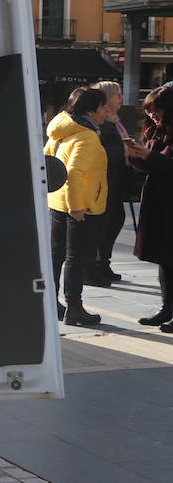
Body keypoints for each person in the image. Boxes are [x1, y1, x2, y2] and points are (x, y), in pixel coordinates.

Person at [44, 86, 109, 327]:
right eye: (103, 107)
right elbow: (74, 173)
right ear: (91, 110)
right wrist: (77, 207)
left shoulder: (61, 128)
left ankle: (51, 303)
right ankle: (75, 309)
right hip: (78, 206)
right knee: (75, 258)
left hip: (57, 202)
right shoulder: (87, 135)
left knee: (56, 255)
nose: (106, 112)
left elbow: (48, 163)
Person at [127, 86, 173, 329]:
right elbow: (153, 166)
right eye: (150, 111)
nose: (153, 114)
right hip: (159, 202)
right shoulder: (156, 130)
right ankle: (167, 308)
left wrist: (149, 157)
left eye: (157, 110)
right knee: (165, 258)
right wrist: (136, 155)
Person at [89, 81, 134, 287]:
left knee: (114, 220)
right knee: (105, 224)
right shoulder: (103, 124)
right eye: (117, 94)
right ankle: (97, 265)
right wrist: (125, 151)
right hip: (104, 184)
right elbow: (100, 154)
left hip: (114, 183)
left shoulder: (114, 121)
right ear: (107, 98)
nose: (121, 98)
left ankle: (103, 263)